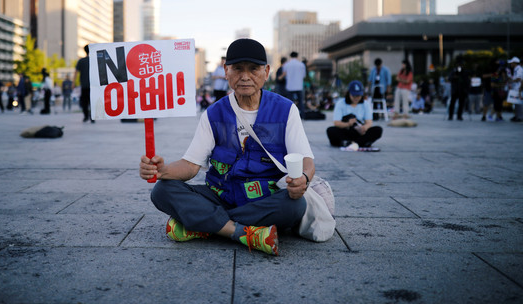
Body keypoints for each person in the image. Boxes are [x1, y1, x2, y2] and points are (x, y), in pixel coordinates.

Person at [139, 39, 313, 256]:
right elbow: (191, 166)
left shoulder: (286, 110)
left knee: (295, 205)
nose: (245, 76)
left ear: (266, 71)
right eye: (238, 69)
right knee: (162, 190)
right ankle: (241, 232)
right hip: (219, 196)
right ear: (226, 71)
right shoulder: (213, 114)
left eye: (254, 69)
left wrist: (303, 179)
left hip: (264, 200)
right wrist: (161, 170)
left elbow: (306, 160)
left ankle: (206, 225)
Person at [326, 80, 383, 149]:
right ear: (349, 93)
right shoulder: (340, 103)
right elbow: (336, 122)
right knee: (331, 130)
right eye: (354, 95)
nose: (356, 98)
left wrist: (364, 128)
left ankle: (351, 143)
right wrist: (348, 124)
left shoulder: (365, 104)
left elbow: (369, 122)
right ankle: (359, 143)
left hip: (360, 132)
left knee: (378, 130)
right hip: (346, 130)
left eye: (358, 96)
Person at [282, 51, 306, 117]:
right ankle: (302, 116)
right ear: (297, 56)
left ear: (290, 56)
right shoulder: (301, 64)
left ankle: (290, 116)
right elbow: (304, 75)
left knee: (290, 102)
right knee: (300, 101)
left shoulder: (286, 64)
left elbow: (284, 74)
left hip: (290, 86)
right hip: (299, 86)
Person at [74, 45, 92, 122]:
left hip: (84, 85)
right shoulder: (93, 60)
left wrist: (73, 83)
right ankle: (92, 117)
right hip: (93, 85)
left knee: (84, 102)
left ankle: (86, 116)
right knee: (92, 102)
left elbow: (76, 73)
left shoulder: (81, 61)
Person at [507, 56, 522, 122]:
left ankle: (519, 117)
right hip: (515, 88)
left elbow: (519, 78)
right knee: (515, 103)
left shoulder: (519, 69)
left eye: (511, 63)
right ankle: (516, 116)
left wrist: (512, 80)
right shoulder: (516, 69)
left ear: (515, 63)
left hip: (518, 88)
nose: (511, 64)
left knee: (518, 103)